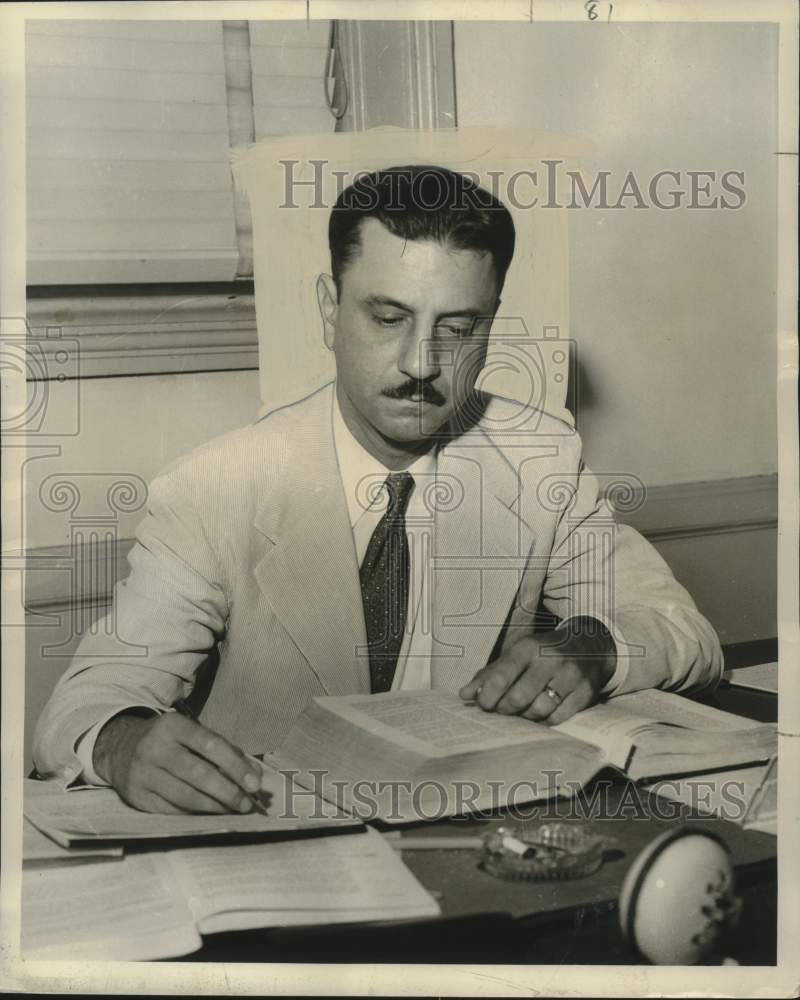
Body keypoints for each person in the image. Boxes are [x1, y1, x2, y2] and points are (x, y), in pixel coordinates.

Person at [33, 165, 722, 815]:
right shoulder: (215, 486)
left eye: (457, 327)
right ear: (330, 310)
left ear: (492, 323)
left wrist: (593, 645)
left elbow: (686, 634)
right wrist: (121, 743)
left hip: (471, 832)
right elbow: (91, 697)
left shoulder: (541, 462)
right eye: (388, 318)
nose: (422, 363)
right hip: (273, 840)